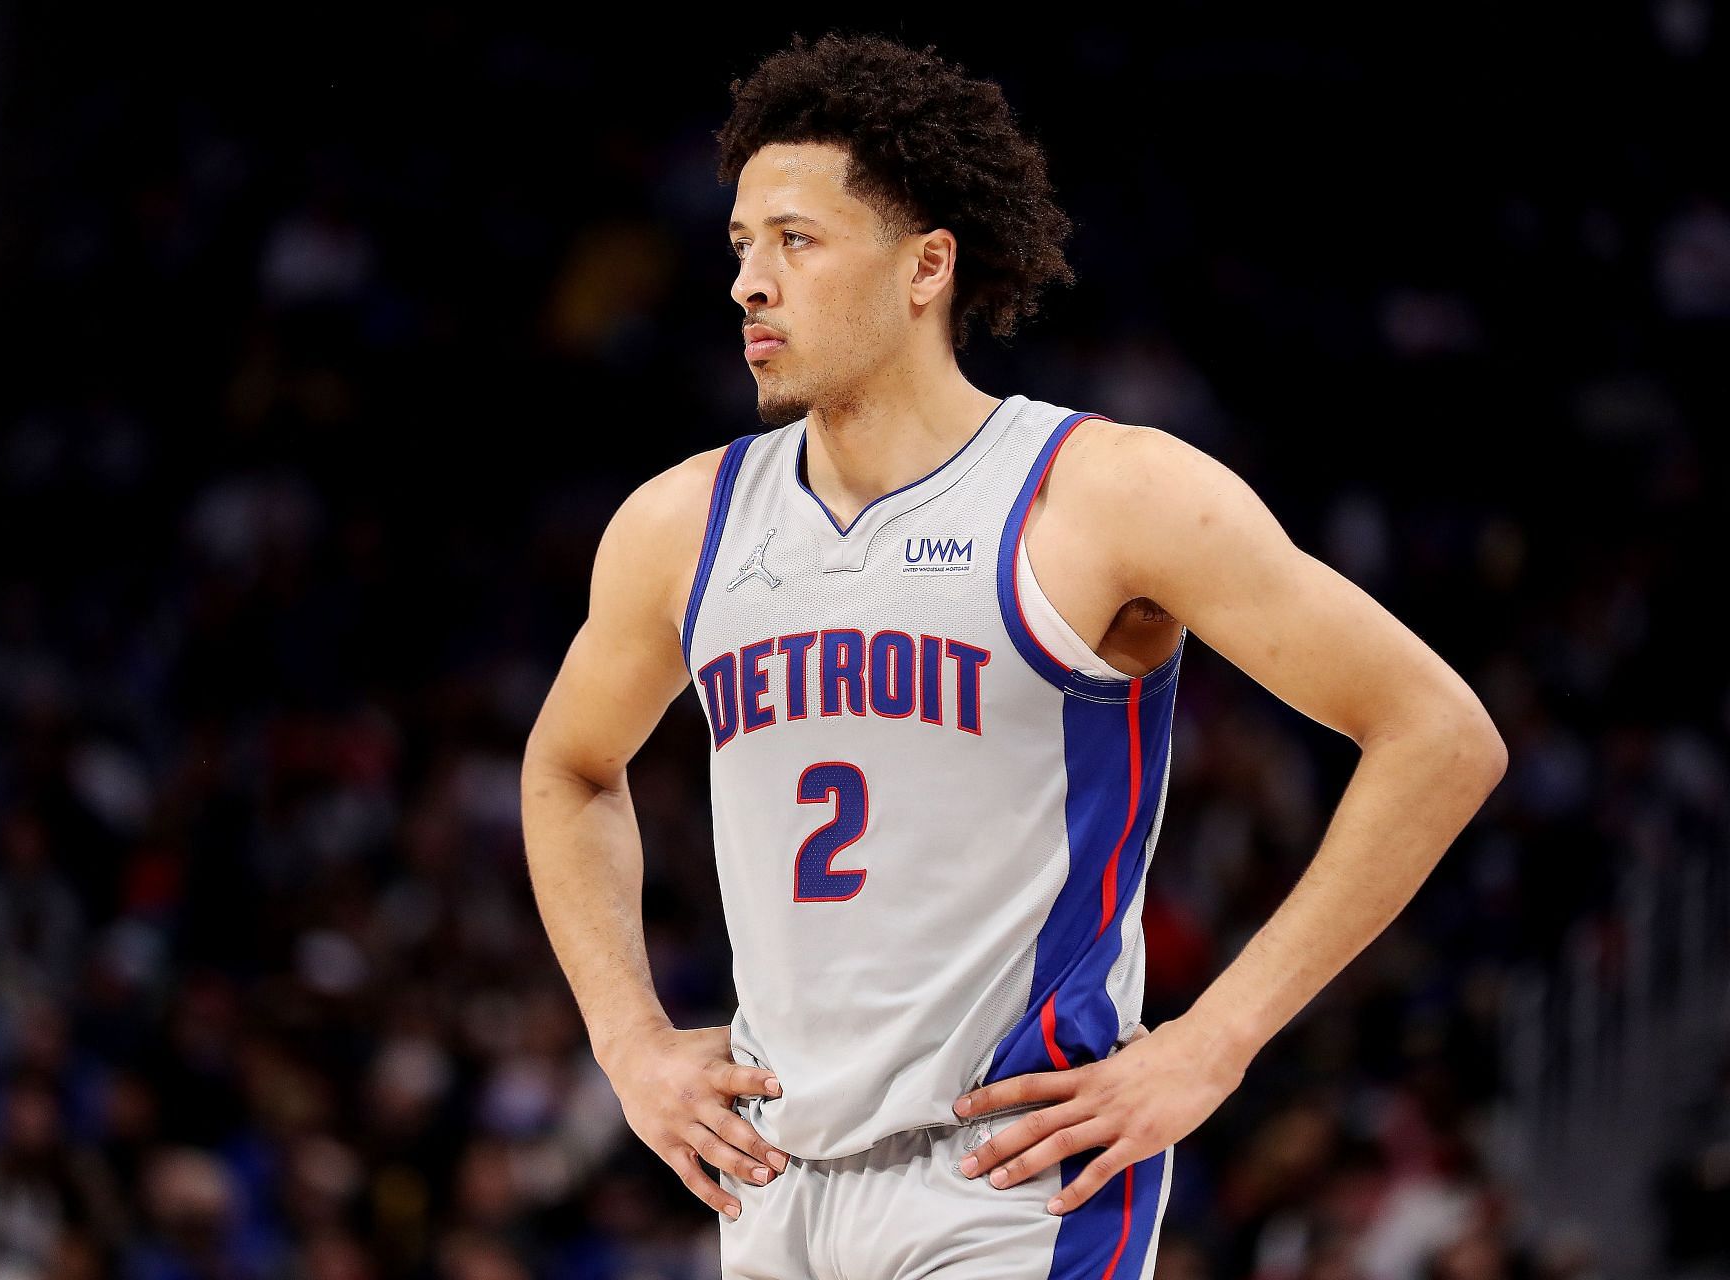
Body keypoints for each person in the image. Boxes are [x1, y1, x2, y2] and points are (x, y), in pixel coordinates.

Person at [519, 30, 1506, 1280]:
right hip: (774, 1188)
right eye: (739, 247)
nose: (748, 284)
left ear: (927, 264)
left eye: (796, 241)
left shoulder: (1106, 494)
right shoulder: (678, 526)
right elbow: (567, 767)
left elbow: (1440, 733)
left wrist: (1216, 1040)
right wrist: (627, 1036)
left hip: (1007, 1185)